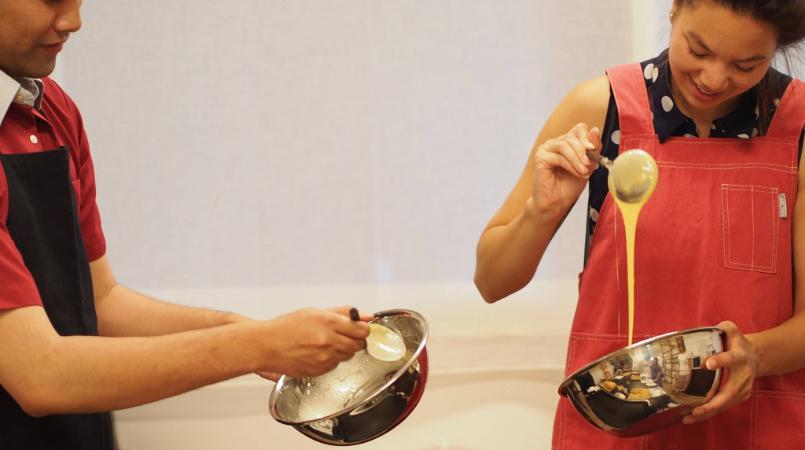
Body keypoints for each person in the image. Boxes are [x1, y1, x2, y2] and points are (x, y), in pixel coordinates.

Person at [0, 1, 370, 449]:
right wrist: (258, 344)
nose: (73, 21)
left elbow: (101, 301)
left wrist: (242, 329)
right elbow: (42, 375)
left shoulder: (51, 109)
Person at [474, 0, 805, 448]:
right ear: (675, 9)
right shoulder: (601, 108)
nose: (713, 79)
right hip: (615, 426)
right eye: (699, 50)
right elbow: (492, 281)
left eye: (746, 65)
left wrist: (755, 356)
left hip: (756, 427)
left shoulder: (797, 127)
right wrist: (542, 211)